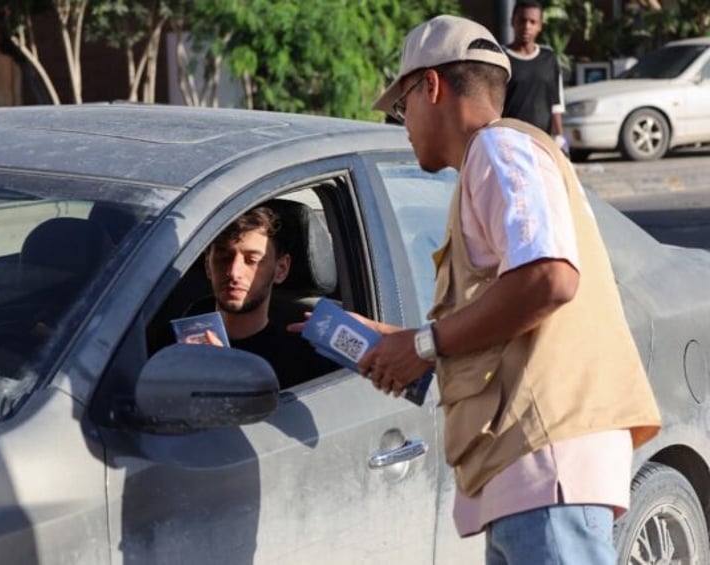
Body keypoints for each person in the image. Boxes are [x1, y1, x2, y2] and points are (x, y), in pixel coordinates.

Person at [361, 14, 661, 564]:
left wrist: (427, 344)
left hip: (547, 471)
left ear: (431, 86)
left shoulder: (500, 150)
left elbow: (550, 278)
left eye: (403, 106)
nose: (403, 125)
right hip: (533, 475)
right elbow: (511, 314)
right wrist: (409, 345)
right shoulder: (495, 159)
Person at [184, 205, 336, 389]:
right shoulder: (181, 330)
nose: (233, 272)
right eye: (224, 257)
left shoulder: (301, 359)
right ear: (208, 265)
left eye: (252, 261)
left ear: (281, 269)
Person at [502, 1, 569, 154]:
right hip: (510, 142)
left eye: (533, 22)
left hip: (542, 142)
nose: (527, 26)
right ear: (513, 22)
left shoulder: (548, 58)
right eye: (522, 20)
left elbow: (556, 103)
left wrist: (559, 137)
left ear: (540, 25)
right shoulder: (501, 58)